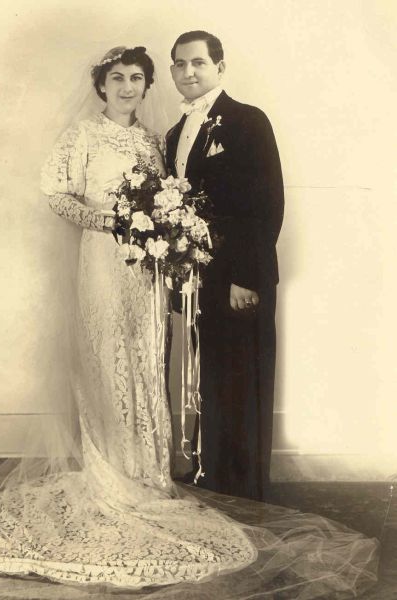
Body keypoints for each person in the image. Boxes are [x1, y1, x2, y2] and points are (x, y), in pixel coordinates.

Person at [0, 45, 378, 600]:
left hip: (146, 271)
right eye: (117, 78)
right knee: (107, 357)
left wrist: (162, 235)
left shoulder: (154, 142)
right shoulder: (84, 136)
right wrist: (107, 222)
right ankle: (111, 471)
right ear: (101, 85)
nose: (128, 87)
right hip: (102, 262)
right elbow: (57, 195)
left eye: (137, 77)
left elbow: (173, 204)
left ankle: (148, 473)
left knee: (147, 357)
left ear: (147, 85)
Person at [166, 30, 284, 500]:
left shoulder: (247, 120)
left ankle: (245, 491)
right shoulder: (175, 133)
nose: (188, 71)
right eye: (180, 64)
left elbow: (266, 203)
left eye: (198, 62)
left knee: (243, 379)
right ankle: (214, 478)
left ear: (219, 67)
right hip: (200, 278)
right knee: (211, 377)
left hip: (239, 276)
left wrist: (245, 277)